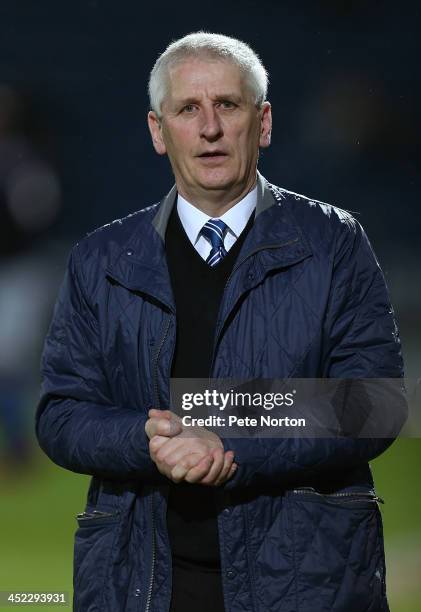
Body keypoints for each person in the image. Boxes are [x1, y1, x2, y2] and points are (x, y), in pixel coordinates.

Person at [36, 32, 404, 612]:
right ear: (159, 131)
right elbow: (61, 414)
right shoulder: (99, 260)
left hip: (304, 583)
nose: (209, 128)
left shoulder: (335, 244)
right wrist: (146, 441)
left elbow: (375, 401)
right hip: (138, 583)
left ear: (263, 124)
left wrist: (225, 436)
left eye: (228, 106)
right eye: (188, 109)